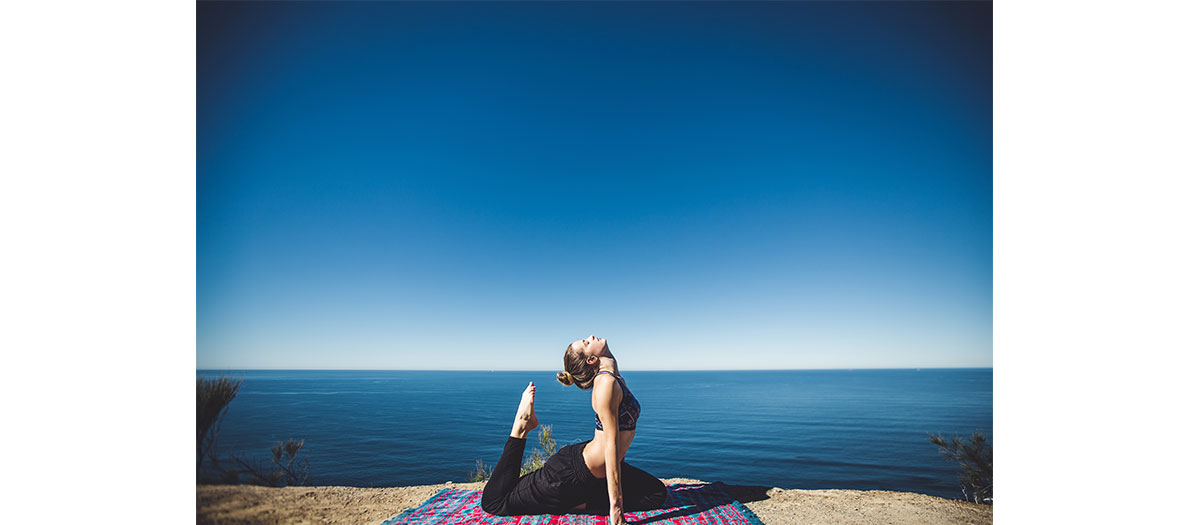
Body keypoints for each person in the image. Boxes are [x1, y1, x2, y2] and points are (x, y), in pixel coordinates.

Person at [480, 335, 667, 524]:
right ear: (591, 360)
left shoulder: (614, 378)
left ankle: (575, 503)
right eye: (586, 343)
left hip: (593, 471)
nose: (591, 337)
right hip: (569, 475)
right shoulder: (605, 384)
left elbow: (617, 445)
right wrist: (616, 510)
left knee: (657, 494)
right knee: (495, 502)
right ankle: (521, 426)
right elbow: (611, 446)